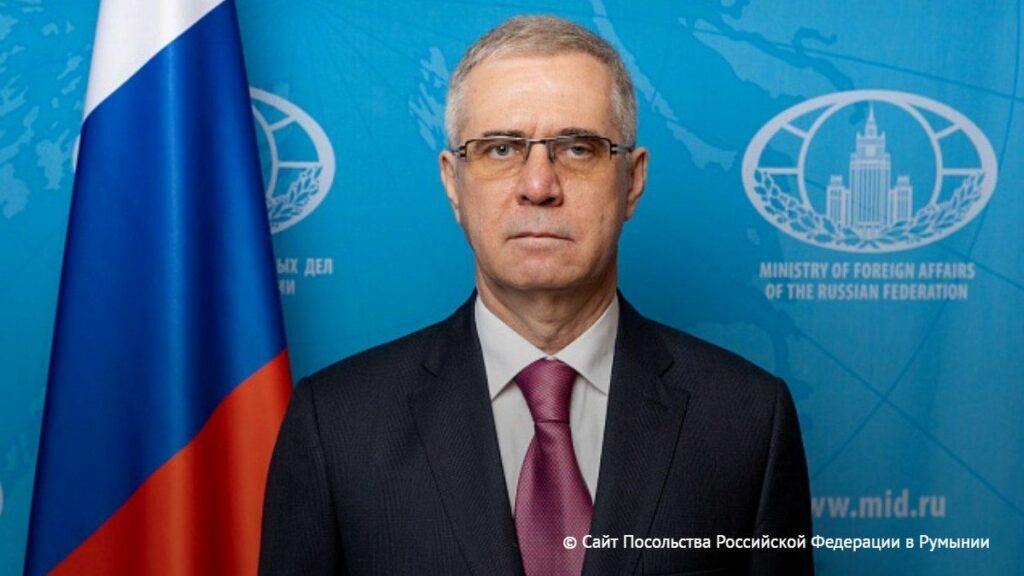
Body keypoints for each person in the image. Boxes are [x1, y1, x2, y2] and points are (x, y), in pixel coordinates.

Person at [259, 15, 813, 576]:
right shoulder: (336, 425)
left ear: (633, 180)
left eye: (578, 148)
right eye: (501, 149)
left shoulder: (747, 421)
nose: (539, 186)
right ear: (453, 183)